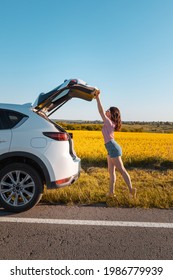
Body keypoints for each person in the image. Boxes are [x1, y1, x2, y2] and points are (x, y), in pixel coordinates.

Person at [95, 93, 137, 198]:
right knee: (111, 172)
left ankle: (132, 190)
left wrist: (97, 98)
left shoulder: (109, 122)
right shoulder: (108, 123)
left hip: (113, 148)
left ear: (111, 114)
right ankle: (111, 193)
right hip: (110, 148)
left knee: (122, 170)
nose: (106, 111)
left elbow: (100, 111)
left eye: (109, 110)